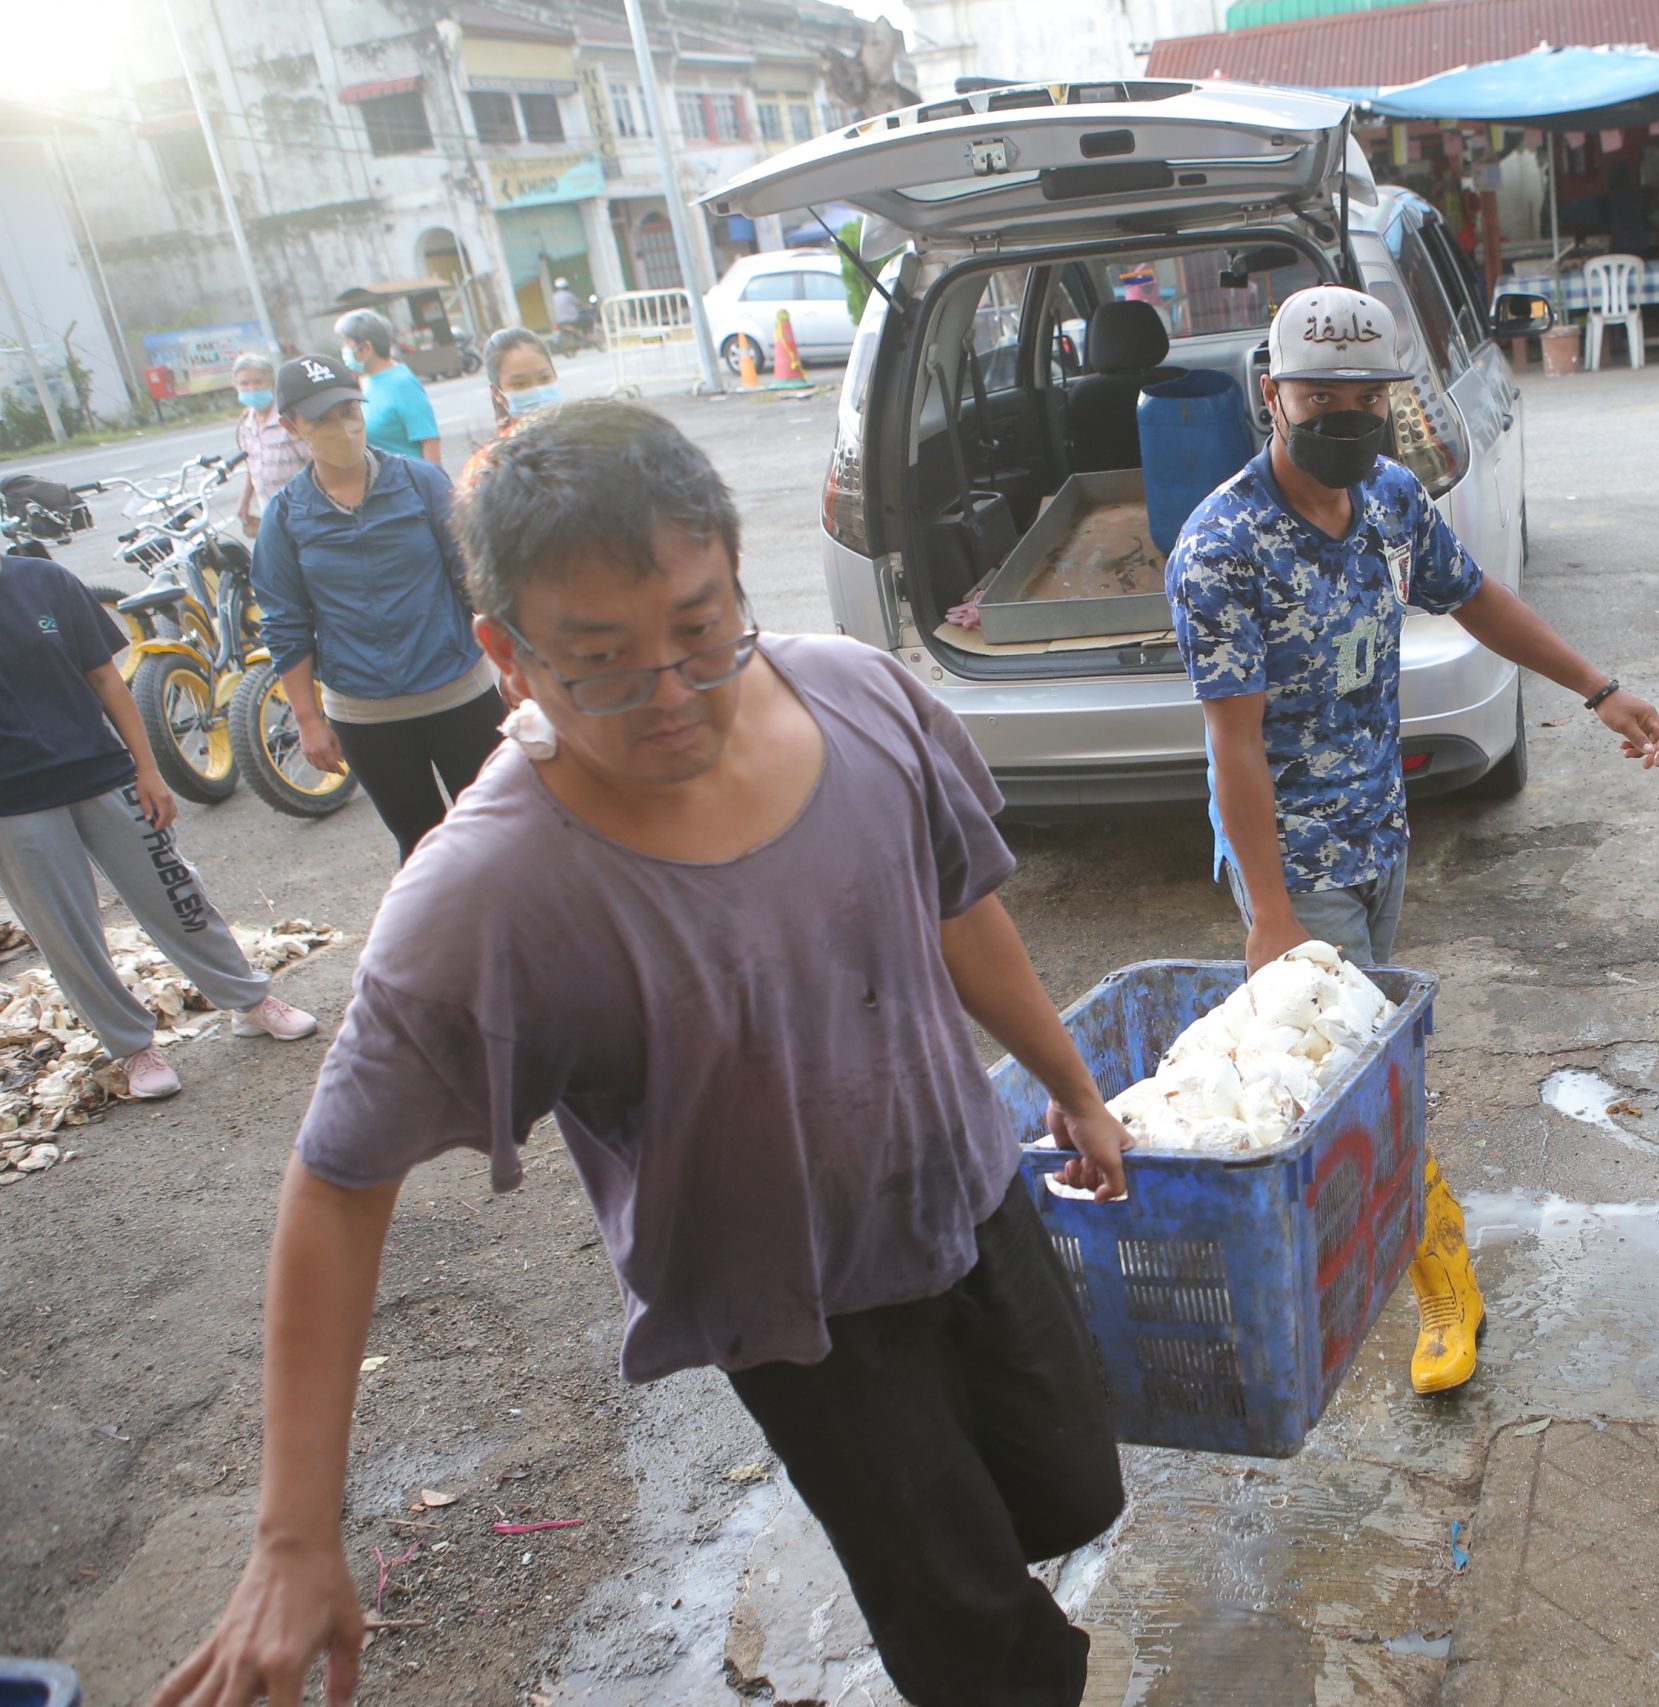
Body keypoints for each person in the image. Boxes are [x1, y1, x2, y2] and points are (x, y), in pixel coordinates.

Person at [151, 400, 1131, 1707]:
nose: (671, 695)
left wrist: (1069, 1084)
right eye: (602, 658)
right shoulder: (487, 897)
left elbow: (957, 903)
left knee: (1072, 1482)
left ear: (737, 581)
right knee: (973, 1637)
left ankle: (993, 1583)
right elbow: (335, 1182)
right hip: (799, 1316)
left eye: (698, 629)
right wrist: (291, 1531)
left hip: (972, 1193)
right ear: (506, 653)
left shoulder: (858, 697)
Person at [1168, 284, 1659, 1397]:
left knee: (1360, 1074)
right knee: (1366, 1081)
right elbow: (1233, 752)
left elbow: (1475, 596)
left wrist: (1598, 688)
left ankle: (1354, 1244)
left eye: (1367, 395)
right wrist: (1270, 917)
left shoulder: (1391, 497)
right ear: (1271, 395)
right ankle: (1441, 1284)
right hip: (1297, 864)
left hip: (1382, 837)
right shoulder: (1221, 549)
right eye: (1320, 396)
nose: (1346, 413)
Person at [0, 552, 318, 1101]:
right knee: (67, 934)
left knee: (175, 891)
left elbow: (104, 676)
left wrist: (148, 768)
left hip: (101, 771)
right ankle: (132, 1047)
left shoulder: (41, 579)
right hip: (14, 802)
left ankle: (248, 1001)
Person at [252, 353, 504, 861]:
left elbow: (473, 581)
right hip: (366, 718)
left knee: (500, 838)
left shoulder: (421, 483)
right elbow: (286, 625)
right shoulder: (285, 517)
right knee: (422, 850)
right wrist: (307, 720)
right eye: (322, 419)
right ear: (291, 426)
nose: (342, 428)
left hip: (460, 697)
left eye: (350, 411)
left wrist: (523, 667)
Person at [332, 308, 441, 465]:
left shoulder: (402, 383)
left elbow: (429, 441)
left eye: (348, 342)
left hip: (409, 483)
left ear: (367, 348)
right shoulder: (365, 381)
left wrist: (433, 485)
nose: (344, 349)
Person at [228, 351, 308, 543]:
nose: (251, 388)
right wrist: (246, 499)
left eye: (258, 382)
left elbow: (313, 462)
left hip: (302, 511)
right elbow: (252, 463)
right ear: (235, 386)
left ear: (271, 383)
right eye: (244, 384)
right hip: (271, 513)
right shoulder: (246, 421)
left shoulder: (287, 418)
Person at [482, 326, 563, 437]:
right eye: (519, 384)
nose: (537, 392)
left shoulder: (581, 441)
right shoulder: (497, 453)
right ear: (497, 393)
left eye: (544, 378)